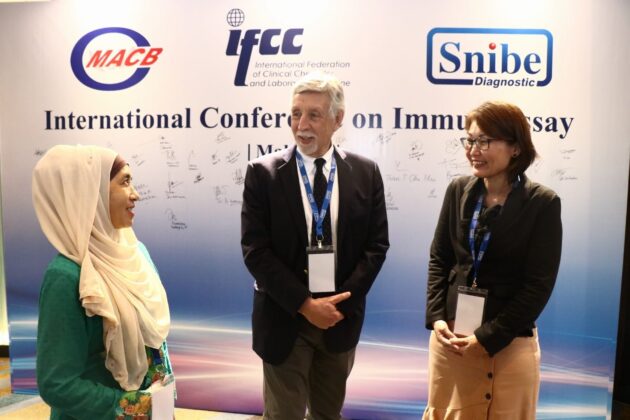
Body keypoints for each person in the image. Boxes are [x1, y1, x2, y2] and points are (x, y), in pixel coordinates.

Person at [241, 72, 389, 419]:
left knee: (327, 415)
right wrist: (306, 305)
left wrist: (339, 305)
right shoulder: (262, 173)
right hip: (283, 318)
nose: (301, 125)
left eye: (314, 115)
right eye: (296, 113)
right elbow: (255, 251)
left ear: (338, 119)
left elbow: (376, 246)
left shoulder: (365, 172)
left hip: (339, 320)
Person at [423, 101, 562, 419]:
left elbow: (538, 286)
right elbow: (440, 258)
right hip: (453, 340)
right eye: (470, 140)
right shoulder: (458, 190)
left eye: (485, 141)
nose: (473, 150)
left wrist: (487, 337)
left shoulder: (542, 203)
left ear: (516, 147)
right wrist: (438, 318)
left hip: (510, 343)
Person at [33, 145, 174, 420]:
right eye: (125, 181)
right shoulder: (67, 277)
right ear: (89, 193)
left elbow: (154, 340)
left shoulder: (137, 253)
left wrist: (161, 401)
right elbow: (57, 384)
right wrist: (135, 408)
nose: (135, 194)